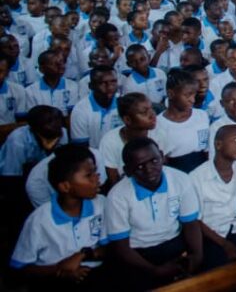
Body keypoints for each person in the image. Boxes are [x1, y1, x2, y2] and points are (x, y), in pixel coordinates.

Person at [105, 137, 202, 290]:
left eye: (154, 161)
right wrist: (154, 270)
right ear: (127, 170)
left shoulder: (181, 180)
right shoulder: (117, 196)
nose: (149, 169)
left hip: (174, 243)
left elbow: (190, 224)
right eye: (139, 166)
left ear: (162, 157)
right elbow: (121, 247)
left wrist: (197, 255)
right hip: (139, 254)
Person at [9, 145, 107, 290]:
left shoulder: (101, 204)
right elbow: (20, 269)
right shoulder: (39, 220)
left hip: (95, 275)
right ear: (65, 186)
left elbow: (110, 247)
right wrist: (60, 270)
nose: (97, 178)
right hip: (52, 279)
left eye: (95, 171)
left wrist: (83, 254)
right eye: (88, 175)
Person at [152, 68, 209, 173]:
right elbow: (163, 160)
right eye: (187, 95)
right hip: (177, 172)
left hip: (203, 171)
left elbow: (206, 149)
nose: (192, 100)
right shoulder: (159, 125)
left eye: (194, 94)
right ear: (171, 94)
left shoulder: (202, 115)